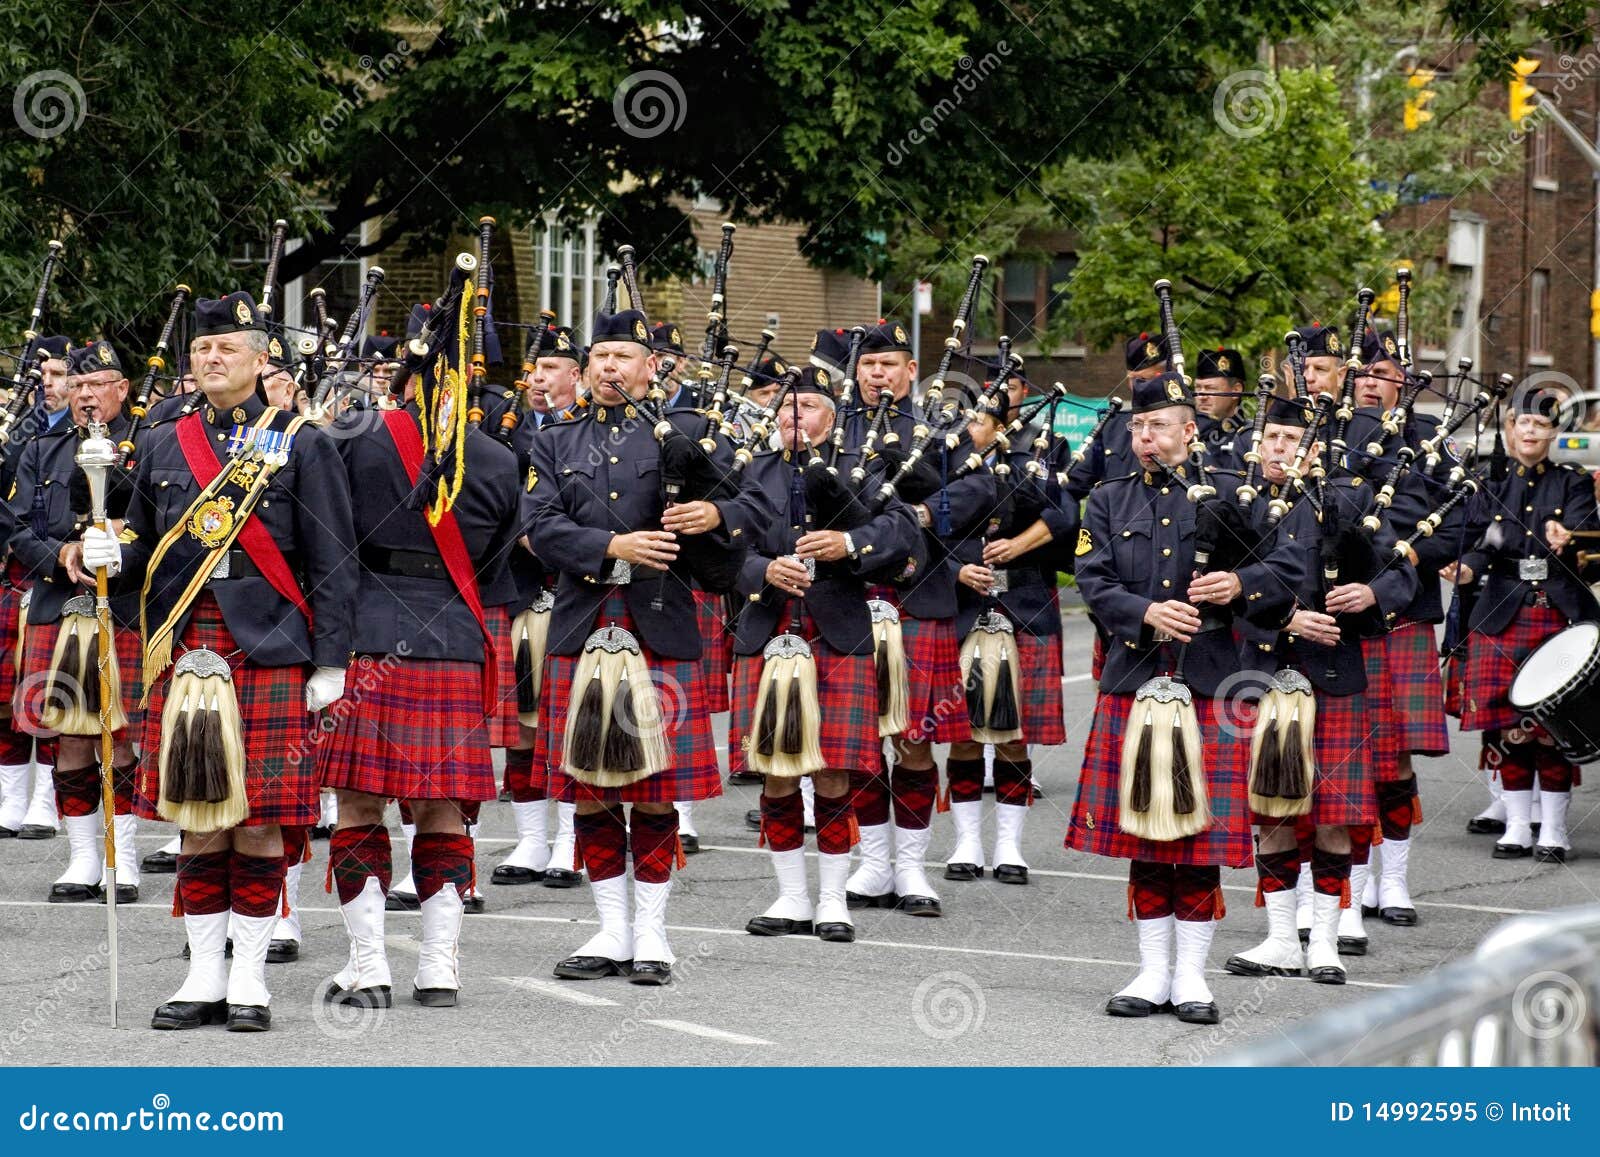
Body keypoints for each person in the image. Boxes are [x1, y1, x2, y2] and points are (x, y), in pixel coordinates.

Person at [87, 290, 357, 1032]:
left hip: (268, 644)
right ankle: (202, 975)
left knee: (261, 819)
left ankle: (249, 978)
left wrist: (330, 660)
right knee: (197, 816)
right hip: (184, 643)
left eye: (227, 347)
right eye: (202, 348)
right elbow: (144, 537)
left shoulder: (303, 441)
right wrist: (114, 549)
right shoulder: (166, 440)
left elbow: (334, 558)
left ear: (260, 358)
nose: (210, 358)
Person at [526, 306, 770, 985]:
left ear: (650, 366)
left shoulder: (684, 436)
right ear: (585, 368)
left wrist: (716, 512)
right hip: (582, 623)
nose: (609, 368)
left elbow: (759, 503)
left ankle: (654, 935)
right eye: (599, 356)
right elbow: (540, 528)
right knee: (593, 790)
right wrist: (611, 545)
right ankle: (610, 930)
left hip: (658, 624)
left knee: (655, 791)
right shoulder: (555, 442)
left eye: (622, 357)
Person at [1069, 371, 1296, 1024]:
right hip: (1137, 684)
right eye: (1138, 427)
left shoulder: (1234, 492)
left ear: (1189, 430)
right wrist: (1144, 612)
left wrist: (1238, 582)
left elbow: (1287, 567)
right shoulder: (1108, 501)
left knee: (1198, 842)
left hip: (1212, 686)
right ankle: (1150, 971)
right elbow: (1093, 578)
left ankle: (1192, 976)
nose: (1145, 437)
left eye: (1158, 425)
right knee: (1146, 834)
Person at [316, 316, 519, 1008]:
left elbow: (327, 541)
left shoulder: (356, 438)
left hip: (368, 634)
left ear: (408, 372)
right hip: (455, 639)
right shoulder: (495, 457)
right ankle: (438, 967)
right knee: (442, 811)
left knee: (358, 803)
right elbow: (496, 566)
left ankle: (369, 965)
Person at [1223, 397, 1413, 984]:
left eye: (1291, 438)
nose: (1280, 448)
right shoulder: (1237, 509)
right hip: (1263, 676)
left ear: (1313, 446)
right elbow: (1215, 597)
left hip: (1332, 678)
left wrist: (1374, 594)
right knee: (1273, 812)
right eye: (1272, 437)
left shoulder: (1349, 502)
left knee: (1335, 815)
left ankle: (1327, 940)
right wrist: (1284, 622)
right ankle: (1281, 939)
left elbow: (1401, 566)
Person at [730, 367, 918, 942]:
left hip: (837, 637)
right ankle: (790, 897)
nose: (794, 417)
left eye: (807, 406)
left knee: (835, 773)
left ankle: (833, 899)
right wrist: (762, 569)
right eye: (785, 407)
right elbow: (716, 556)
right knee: (776, 776)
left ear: (831, 416)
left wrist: (848, 543)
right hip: (768, 636)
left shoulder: (859, 472)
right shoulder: (746, 475)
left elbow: (901, 535)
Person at [846, 320, 991, 919]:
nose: (878, 375)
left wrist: (928, 512)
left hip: (920, 598)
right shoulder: (837, 428)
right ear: (856, 372)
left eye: (890, 365)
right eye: (868, 365)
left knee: (912, 739)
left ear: (911, 371)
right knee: (853, 743)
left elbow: (983, 488)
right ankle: (874, 861)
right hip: (849, 600)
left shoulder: (939, 431)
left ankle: (910, 867)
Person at [8, 340, 145, 902]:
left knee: (122, 735)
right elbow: (15, 527)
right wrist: (59, 556)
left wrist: (121, 543)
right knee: (68, 736)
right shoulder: (41, 449)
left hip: (129, 606)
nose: (86, 395)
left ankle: (124, 857)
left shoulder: (149, 443)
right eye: (78, 386)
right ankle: (84, 858)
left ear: (122, 390)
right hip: (58, 603)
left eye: (99, 385)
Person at [1452, 390, 1598, 862]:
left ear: (1553, 433)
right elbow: (1479, 542)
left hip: (1556, 609)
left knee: (1551, 725)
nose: (1531, 431)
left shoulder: (1572, 482)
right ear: (1512, 428)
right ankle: (1516, 824)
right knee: (1508, 725)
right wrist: (1468, 569)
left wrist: (1568, 537)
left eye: (1541, 424)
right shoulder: (1490, 481)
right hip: (1501, 609)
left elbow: (1586, 536)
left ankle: (1554, 829)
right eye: (1524, 423)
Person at [945, 392, 1076, 884]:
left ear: (1002, 425)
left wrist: (1017, 546)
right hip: (961, 611)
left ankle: (1009, 847)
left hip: (1023, 607)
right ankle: (966, 843)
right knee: (961, 735)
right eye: (964, 420)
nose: (968, 428)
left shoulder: (1032, 463)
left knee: (1013, 738)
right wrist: (960, 568)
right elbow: (920, 531)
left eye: (978, 420)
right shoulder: (945, 468)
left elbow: (1065, 517)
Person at [1193, 347, 1248, 470]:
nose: (1202, 396)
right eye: (1197, 388)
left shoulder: (1249, 436)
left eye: (1210, 388)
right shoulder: (1186, 433)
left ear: (1236, 391)